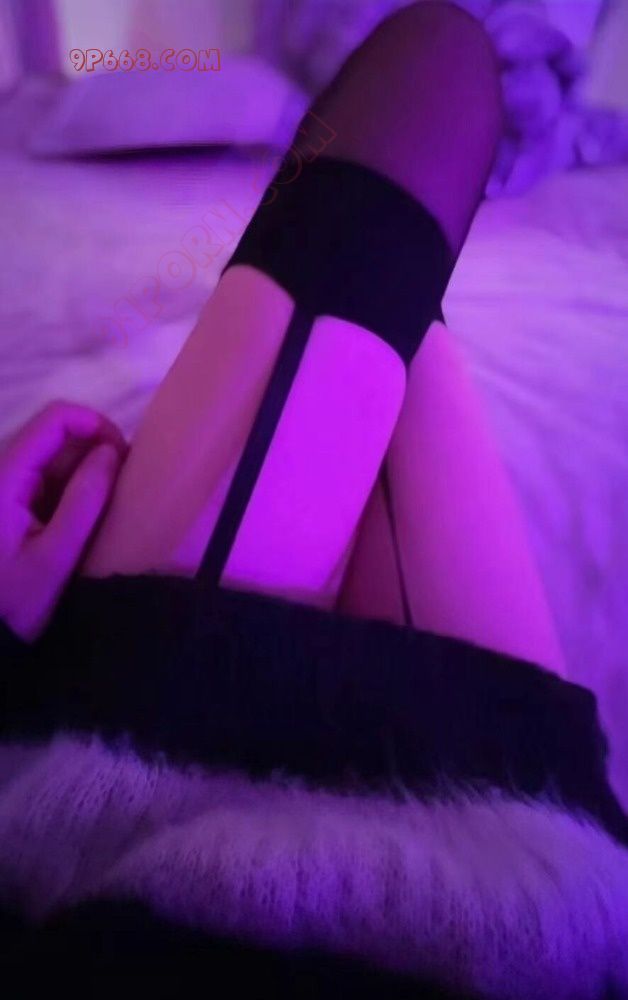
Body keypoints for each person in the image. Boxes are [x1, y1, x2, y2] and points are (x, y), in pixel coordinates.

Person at [1, 4, 626, 995]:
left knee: (396, 180)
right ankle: (408, 268)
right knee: (438, 65)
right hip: (498, 878)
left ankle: (383, 274)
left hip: (129, 793)